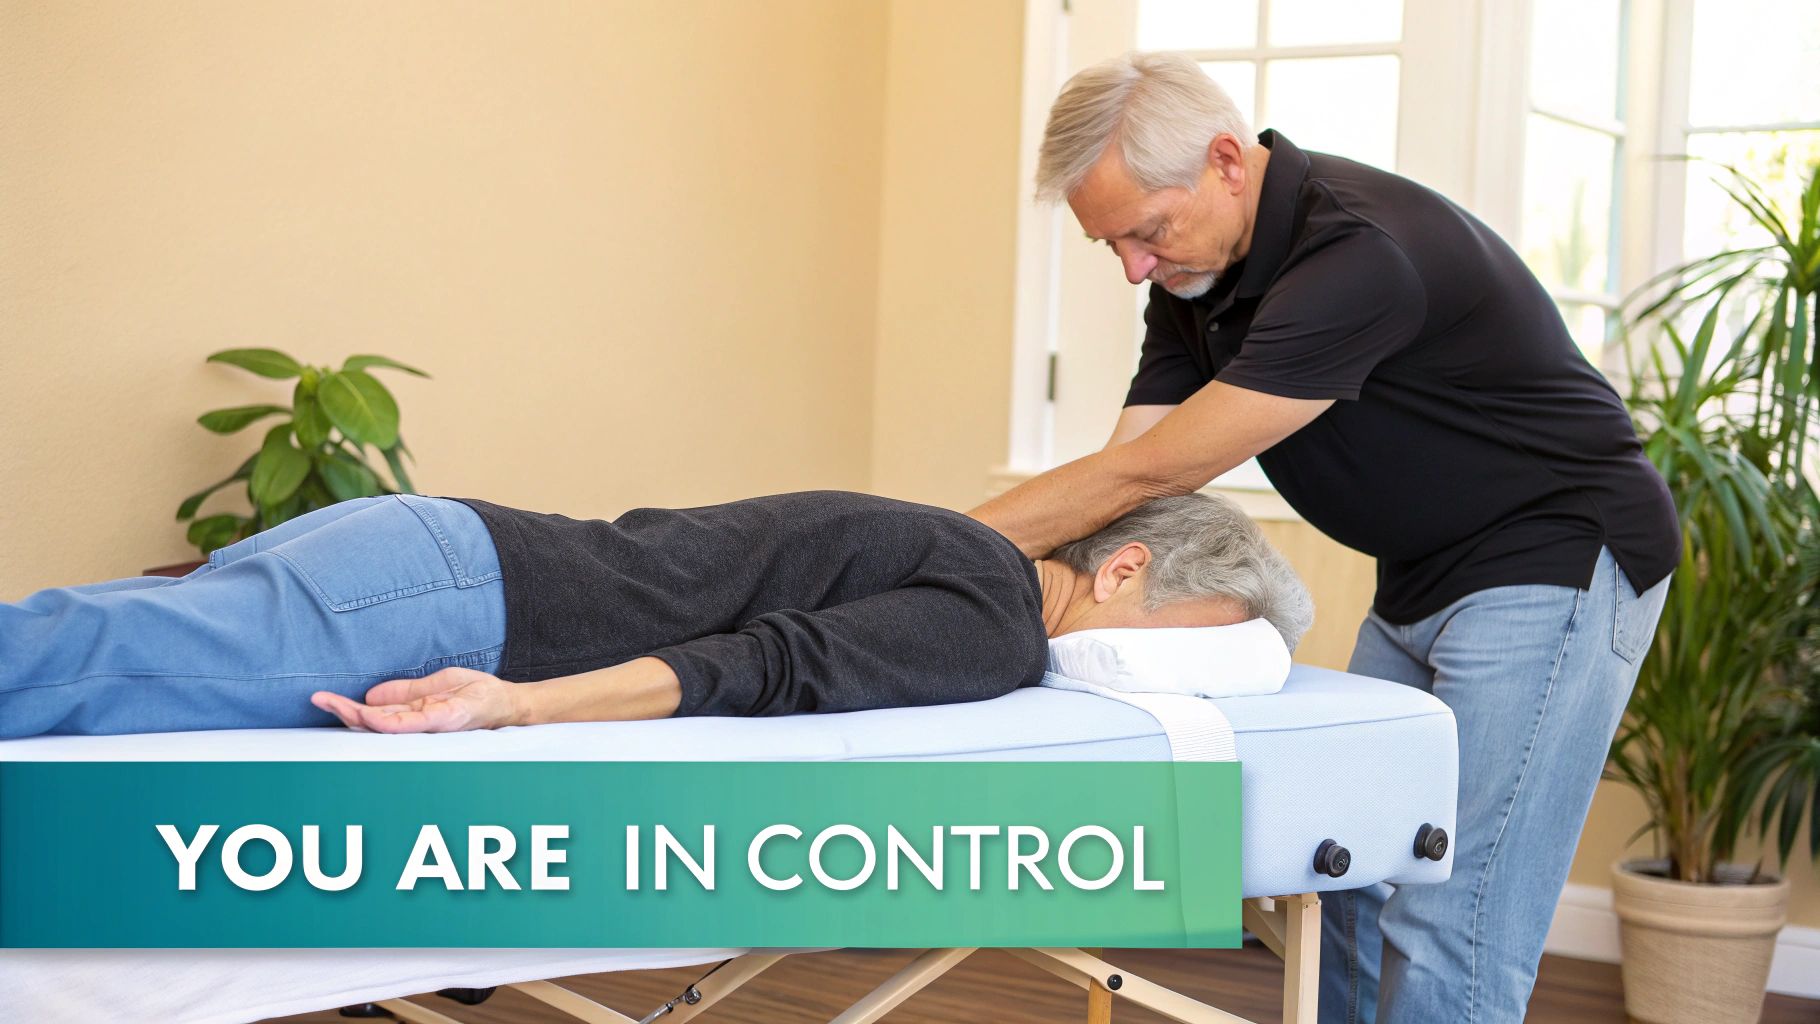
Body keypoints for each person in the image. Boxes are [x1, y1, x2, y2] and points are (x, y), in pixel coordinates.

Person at [968, 51, 1678, 1023]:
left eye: (1146, 231)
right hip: (1420, 573)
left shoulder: (1356, 257)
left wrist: (932, 548)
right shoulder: (1194, 282)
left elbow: (1148, 473)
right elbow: (1122, 471)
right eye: (1112, 245)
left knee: (1453, 916)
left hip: (1553, 558)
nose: (1134, 266)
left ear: (1225, 161)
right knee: (1341, 866)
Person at [0, 488, 1309, 739]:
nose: (1154, 665)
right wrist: (514, 703)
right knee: (61, 670)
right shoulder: (995, 622)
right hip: (458, 598)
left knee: (68, 644)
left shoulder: (956, 546)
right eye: (1184, 634)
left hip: (431, 545)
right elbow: (762, 664)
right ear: (1122, 570)